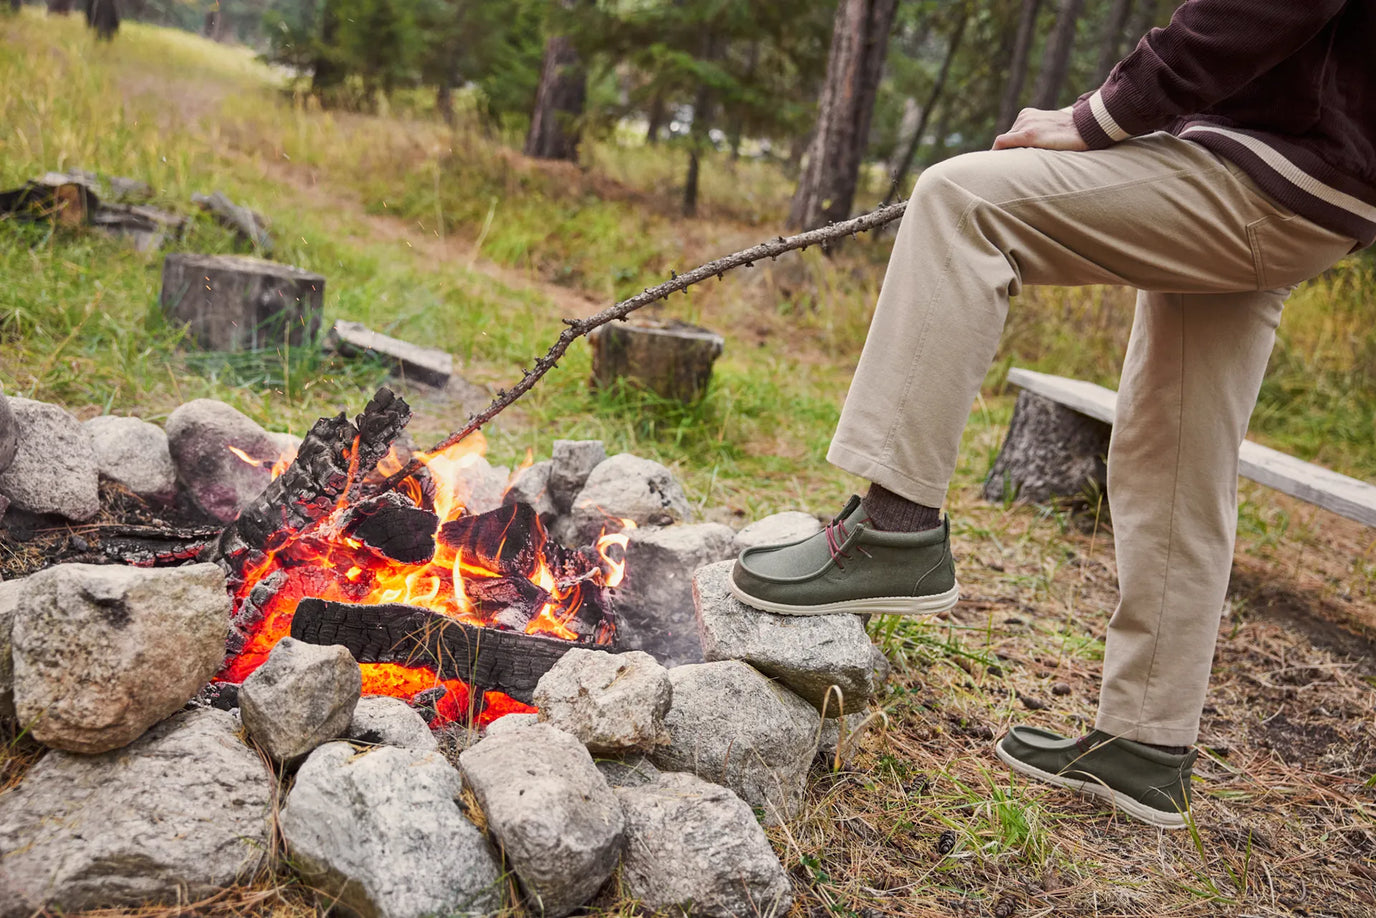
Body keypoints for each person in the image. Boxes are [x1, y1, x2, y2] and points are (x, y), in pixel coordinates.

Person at [729, 0, 1375, 829]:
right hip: (1316, 183)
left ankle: (895, 528)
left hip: (1273, 172)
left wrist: (1101, 116)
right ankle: (1146, 743)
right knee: (1174, 451)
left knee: (961, 200)